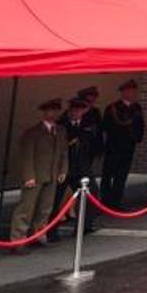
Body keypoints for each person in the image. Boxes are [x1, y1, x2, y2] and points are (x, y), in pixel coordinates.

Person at [10, 98, 69, 249]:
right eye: (50, 110)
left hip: (52, 174)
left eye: (56, 110)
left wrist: (63, 170)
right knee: (26, 208)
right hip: (36, 175)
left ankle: (38, 235)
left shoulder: (61, 131)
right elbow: (27, 155)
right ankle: (18, 240)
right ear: (44, 113)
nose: (53, 113)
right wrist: (28, 176)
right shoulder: (33, 133)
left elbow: (63, 152)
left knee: (45, 208)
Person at [58, 97, 99, 235]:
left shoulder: (88, 125)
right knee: (56, 198)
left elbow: (93, 145)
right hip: (64, 167)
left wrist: (88, 162)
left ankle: (84, 227)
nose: (76, 113)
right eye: (74, 110)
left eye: (79, 110)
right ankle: (51, 231)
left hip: (82, 166)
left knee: (90, 194)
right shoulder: (62, 124)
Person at [101, 80, 145, 209]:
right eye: (129, 91)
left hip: (128, 146)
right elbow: (106, 126)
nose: (132, 93)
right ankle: (105, 199)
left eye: (133, 91)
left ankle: (116, 200)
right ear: (123, 92)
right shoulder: (113, 108)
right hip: (114, 146)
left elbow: (140, 126)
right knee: (108, 174)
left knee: (122, 175)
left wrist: (137, 138)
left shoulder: (137, 108)